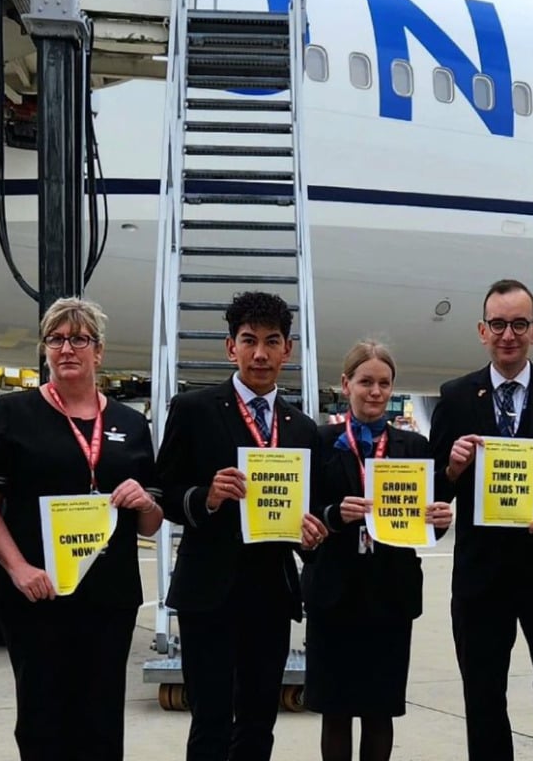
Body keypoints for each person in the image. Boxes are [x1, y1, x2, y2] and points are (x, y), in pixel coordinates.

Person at [0, 298, 162, 761]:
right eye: (55, 339)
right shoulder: (12, 413)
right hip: (38, 595)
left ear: (99, 351)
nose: (66, 349)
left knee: (100, 725)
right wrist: (18, 569)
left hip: (108, 597)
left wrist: (146, 501)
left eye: (79, 339)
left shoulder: (130, 424)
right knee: (42, 722)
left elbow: (152, 523)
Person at [429, 278, 533, 761]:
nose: (509, 334)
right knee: (482, 702)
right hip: (482, 580)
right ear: (482, 331)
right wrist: (454, 468)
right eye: (499, 324)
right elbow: (436, 498)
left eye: (519, 324)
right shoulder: (457, 397)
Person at [157, 291, 328, 761]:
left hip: (270, 594)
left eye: (272, 342)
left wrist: (311, 538)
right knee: (210, 721)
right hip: (207, 591)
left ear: (287, 350)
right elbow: (164, 492)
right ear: (229, 347)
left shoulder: (301, 428)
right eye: (248, 341)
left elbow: (308, 515)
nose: (260, 354)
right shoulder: (193, 409)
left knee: (258, 723)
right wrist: (205, 498)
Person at [302, 341, 453, 761]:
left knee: (379, 709)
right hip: (334, 591)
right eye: (366, 382)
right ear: (346, 383)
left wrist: (438, 520)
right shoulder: (320, 440)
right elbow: (302, 514)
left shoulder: (414, 448)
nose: (375, 392)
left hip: (390, 592)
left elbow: (426, 530)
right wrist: (334, 514)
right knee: (334, 710)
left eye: (384, 384)